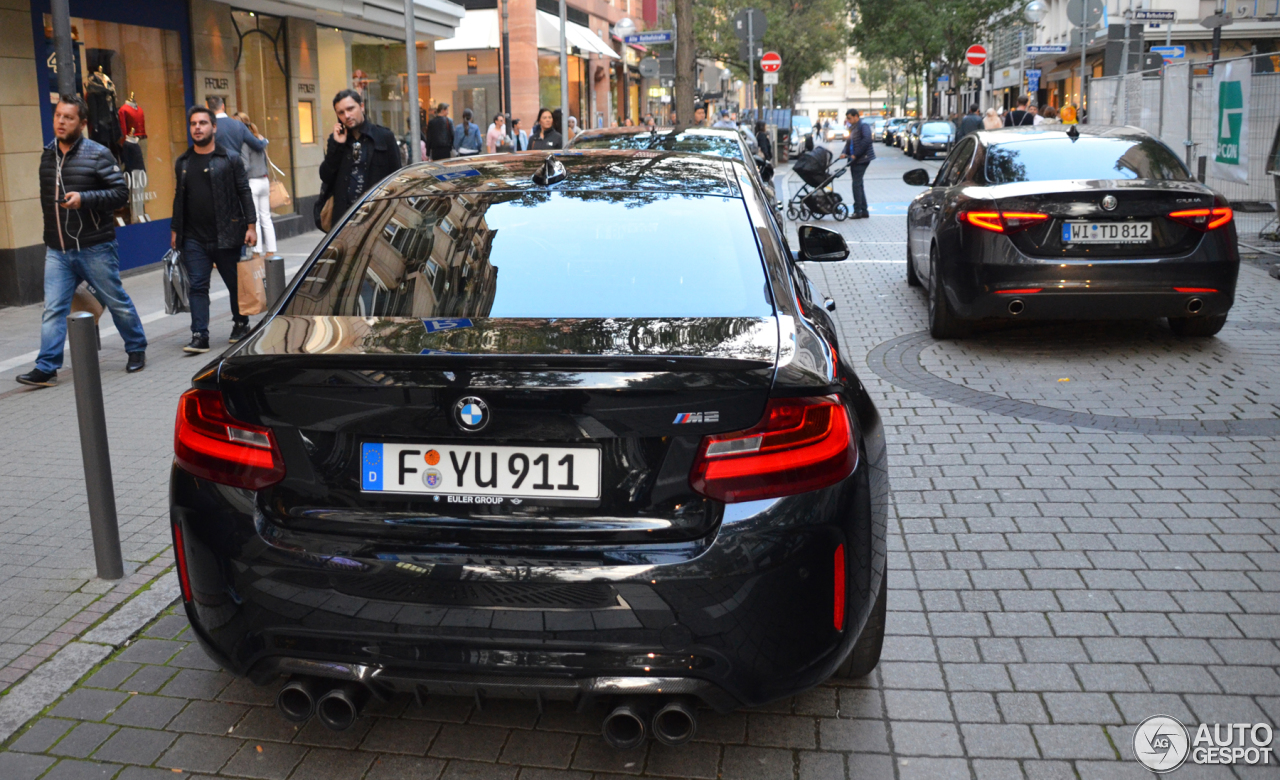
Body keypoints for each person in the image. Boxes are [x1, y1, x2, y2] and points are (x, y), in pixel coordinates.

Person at [19, 94, 147, 386]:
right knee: (54, 308)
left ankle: (136, 348)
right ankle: (47, 367)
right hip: (57, 248)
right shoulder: (47, 153)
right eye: (58, 116)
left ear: (83, 123)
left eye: (69, 117)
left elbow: (119, 195)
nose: (61, 122)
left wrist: (84, 200)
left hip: (95, 246)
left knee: (117, 301)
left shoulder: (98, 153)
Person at [171, 106, 257, 354]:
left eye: (203, 123)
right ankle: (200, 335)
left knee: (234, 284)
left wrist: (251, 226)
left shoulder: (230, 159)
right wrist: (175, 228)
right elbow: (180, 197)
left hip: (227, 233)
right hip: (194, 237)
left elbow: (244, 191)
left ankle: (240, 323)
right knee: (198, 286)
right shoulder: (184, 162)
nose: (197, 127)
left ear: (214, 127)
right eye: (193, 124)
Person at [316, 89, 399, 232]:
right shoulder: (335, 140)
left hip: (376, 218)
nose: (347, 115)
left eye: (350, 109)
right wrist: (338, 145)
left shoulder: (384, 137)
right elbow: (326, 176)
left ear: (361, 107)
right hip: (343, 220)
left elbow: (397, 178)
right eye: (341, 112)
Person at [235, 112, 279, 263]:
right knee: (266, 217)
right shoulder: (259, 139)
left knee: (255, 219)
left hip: (252, 182)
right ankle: (271, 250)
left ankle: (256, 252)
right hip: (264, 181)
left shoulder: (244, 143)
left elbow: (245, 165)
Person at [838, 108, 875, 220]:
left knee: (856, 184)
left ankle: (857, 211)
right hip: (855, 159)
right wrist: (844, 153)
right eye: (847, 118)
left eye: (849, 118)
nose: (848, 120)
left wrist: (856, 154)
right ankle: (864, 210)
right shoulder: (852, 128)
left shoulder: (863, 127)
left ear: (856, 117)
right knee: (859, 184)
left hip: (862, 159)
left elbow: (866, 140)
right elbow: (848, 143)